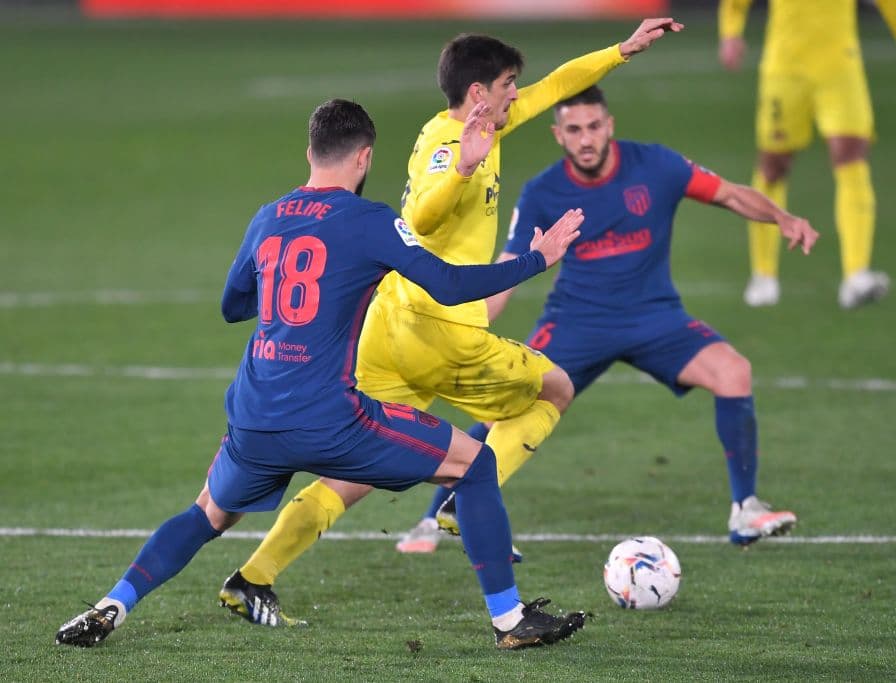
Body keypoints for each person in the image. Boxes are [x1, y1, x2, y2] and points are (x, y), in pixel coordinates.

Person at [55, 98, 589, 651]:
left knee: (206, 514)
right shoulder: (370, 221)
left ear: (309, 152)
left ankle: (111, 605)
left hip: (255, 419)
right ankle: (509, 620)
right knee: (475, 466)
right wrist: (537, 259)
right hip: (331, 421)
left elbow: (232, 305)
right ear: (364, 158)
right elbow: (450, 287)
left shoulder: (268, 216)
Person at [217, 19, 683, 628]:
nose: (521, 93)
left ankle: (252, 576)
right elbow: (423, 212)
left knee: (349, 474)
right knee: (555, 389)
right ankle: (464, 509)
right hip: (440, 332)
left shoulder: (490, 123)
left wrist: (620, 51)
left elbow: (559, 84)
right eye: (510, 84)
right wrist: (463, 168)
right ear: (479, 95)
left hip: (388, 332)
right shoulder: (447, 143)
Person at [399, 85, 818, 551]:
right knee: (513, 399)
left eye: (594, 126)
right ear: (558, 135)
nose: (586, 138)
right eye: (574, 129)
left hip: (655, 317)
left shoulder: (656, 165)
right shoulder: (543, 191)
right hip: (578, 322)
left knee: (734, 371)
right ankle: (435, 516)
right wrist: (468, 324)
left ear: (609, 126)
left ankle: (746, 511)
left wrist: (781, 217)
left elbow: (730, 195)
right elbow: (510, 265)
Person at [718, 0, 896, 308]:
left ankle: (856, 275)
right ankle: (763, 275)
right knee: (773, 166)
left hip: (840, 68)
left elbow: (891, 3)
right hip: (785, 69)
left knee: (851, 156)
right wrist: (730, 34)